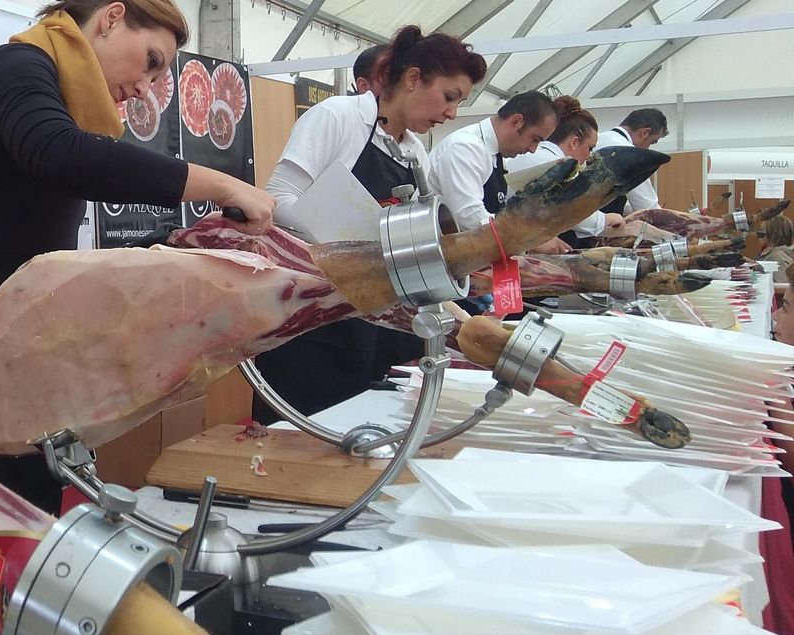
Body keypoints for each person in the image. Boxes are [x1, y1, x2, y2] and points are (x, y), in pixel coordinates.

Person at [0, 0, 275, 509]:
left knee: (23, 529)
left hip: (11, 355)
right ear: (111, 19)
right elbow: (59, 155)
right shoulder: (17, 68)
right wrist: (222, 184)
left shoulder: (55, 94)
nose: (145, 88)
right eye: (151, 62)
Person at [250, 25, 486, 416]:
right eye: (449, 97)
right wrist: (359, 245)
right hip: (315, 325)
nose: (452, 113)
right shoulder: (337, 117)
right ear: (413, 78)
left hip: (379, 329)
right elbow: (279, 200)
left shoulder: (414, 153)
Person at [428, 90, 561, 252]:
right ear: (517, 122)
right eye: (535, 139)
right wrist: (529, 239)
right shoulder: (465, 148)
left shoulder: (495, 154)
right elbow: (468, 216)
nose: (533, 149)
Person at [503, 96, 623, 248]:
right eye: (590, 148)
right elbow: (568, 209)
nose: (589, 156)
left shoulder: (535, 155)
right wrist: (605, 220)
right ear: (574, 142)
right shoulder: (555, 164)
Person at [596, 107, 668, 215]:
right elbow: (648, 209)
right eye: (652, 142)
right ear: (644, 133)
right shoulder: (631, 155)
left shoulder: (597, 139)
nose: (648, 149)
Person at [759, 214, 794, 286]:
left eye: (761, 231)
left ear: (774, 234)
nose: (757, 235)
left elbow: (782, 287)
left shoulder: (778, 257)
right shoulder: (767, 253)